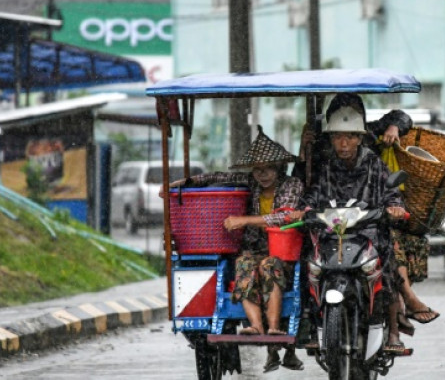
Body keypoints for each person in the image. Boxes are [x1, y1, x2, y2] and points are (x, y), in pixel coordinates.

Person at [167, 126, 305, 373]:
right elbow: (218, 177)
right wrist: (183, 183)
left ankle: (273, 328)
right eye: (258, 169)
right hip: (252, 249)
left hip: (281, 252)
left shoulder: (292, 185)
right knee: (244, 264)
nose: (262, 175)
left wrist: (245, 221)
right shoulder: (250, 183)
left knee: (268, 265)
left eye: (268, 169)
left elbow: (282, 218)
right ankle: (256, 326)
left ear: (279, 167)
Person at [297, 96, 411, 354]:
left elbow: (391, 193)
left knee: (388, 267)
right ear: (330, 137)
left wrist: (394, 207)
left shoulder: (374, 163)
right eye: (338, 137)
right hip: (332, 236)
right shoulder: (324, 166)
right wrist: (304, 209)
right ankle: (312, 322)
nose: (344, 143)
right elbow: (312, 193)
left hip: (368, 233)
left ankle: (392, 330)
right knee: (308, 265)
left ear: (360, 137)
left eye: (349, 137)